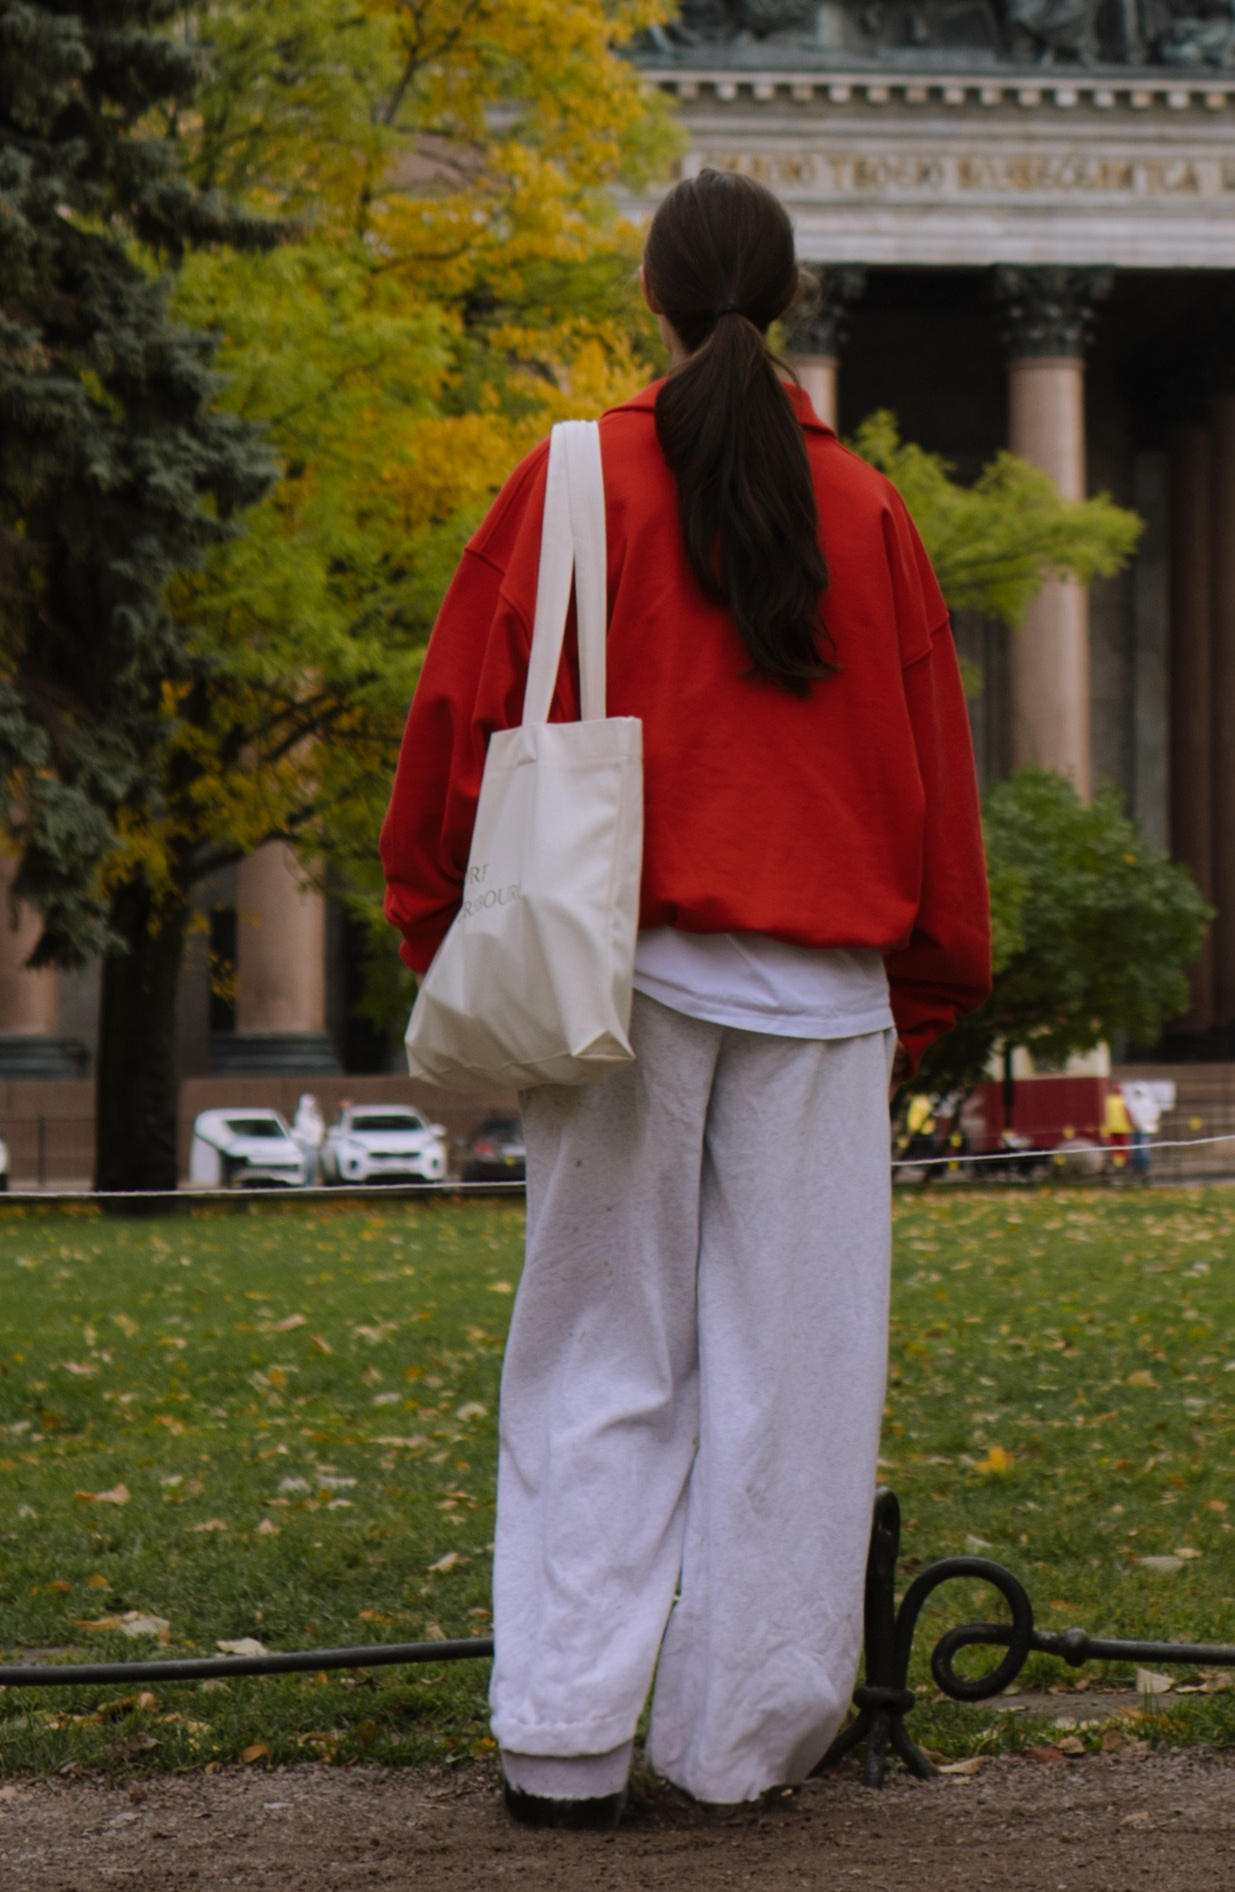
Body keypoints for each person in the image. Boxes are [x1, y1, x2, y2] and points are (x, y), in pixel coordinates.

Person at [381, 169, 990, 1827]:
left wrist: (442, 922)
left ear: (648, 294)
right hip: (824, 993)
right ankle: (739, 1741)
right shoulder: (868, 509)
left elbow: (459, 721)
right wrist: (925, 983)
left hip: (614, 975)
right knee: (798, 1384)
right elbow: (933, 772)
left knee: (598, 1351)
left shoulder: (571, 476)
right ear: (787, 301)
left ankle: (563, 1738)